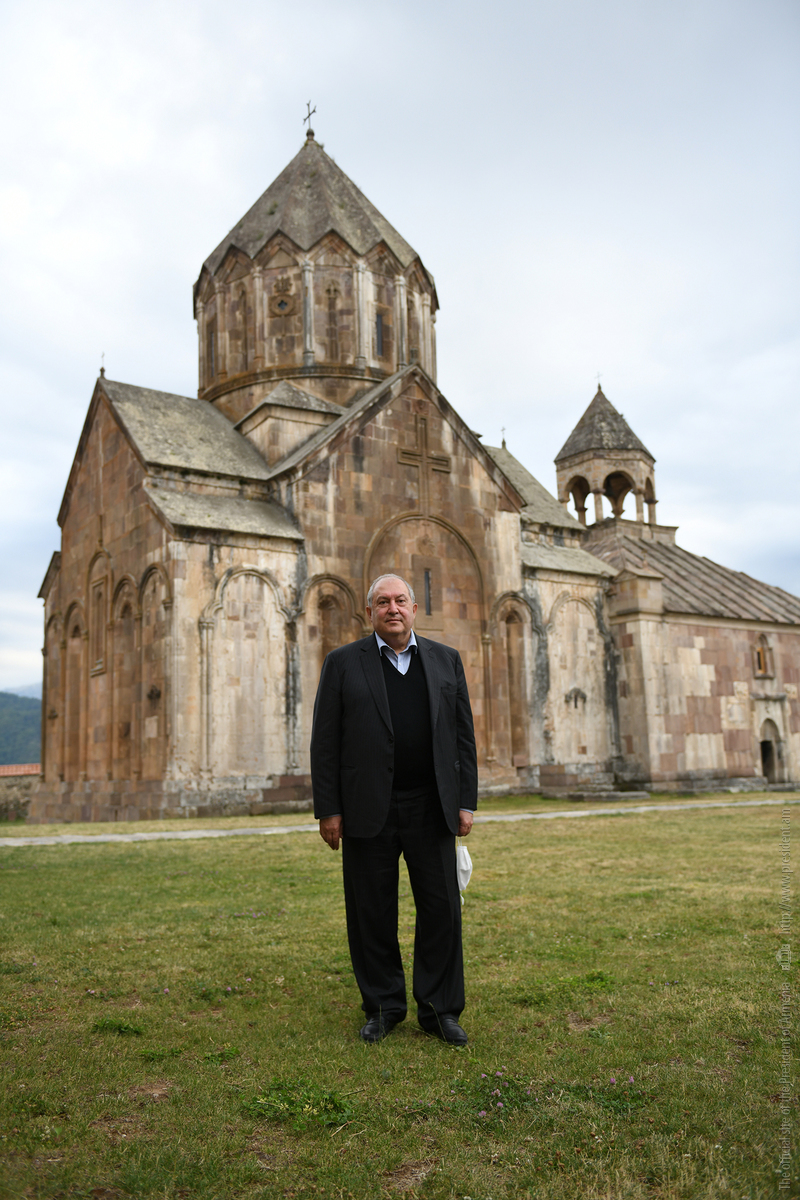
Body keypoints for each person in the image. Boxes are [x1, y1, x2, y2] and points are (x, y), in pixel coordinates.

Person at [310, 572, 478, 1045]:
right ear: (370, 612)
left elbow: (463, 737)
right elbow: (325, 741)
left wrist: (466, 801)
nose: (393, 609)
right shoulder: (343, 663)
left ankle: (440, 1010)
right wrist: (329, 809)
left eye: (401, 600)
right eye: (382, 602)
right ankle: (383, 1007)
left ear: (414, 609)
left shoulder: (446, 660)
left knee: (442, 910)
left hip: (432, 804)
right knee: (372, 912)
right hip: (368, 808)